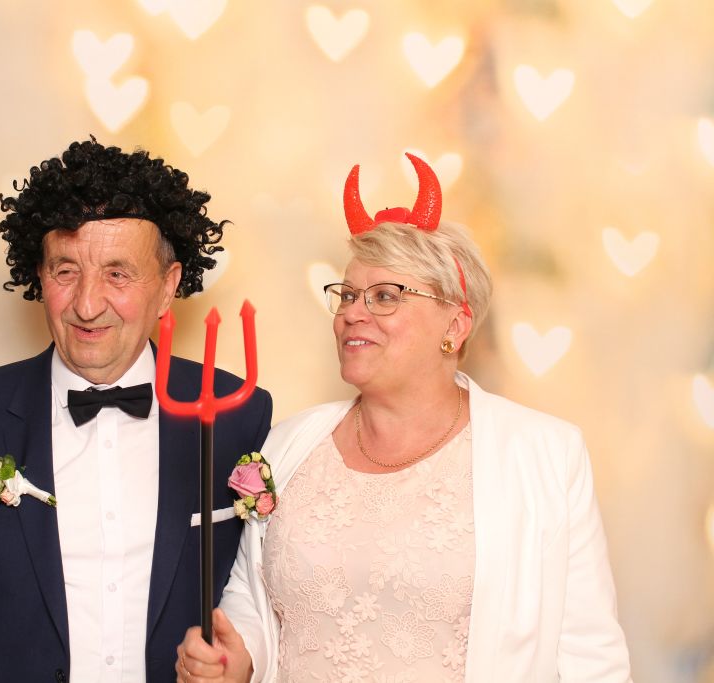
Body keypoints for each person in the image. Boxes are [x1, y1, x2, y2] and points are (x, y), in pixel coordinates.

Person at [175, 153, 631, 682]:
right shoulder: (287, 446)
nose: (352, 312)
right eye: (347, 295)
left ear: (455, 326)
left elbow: (590, 656)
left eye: (385, 297)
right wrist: (240, 658)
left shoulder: (545, 455)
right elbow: (253, 596)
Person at [0, 138, 273, 682]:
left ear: (168, 287)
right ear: (40, 276)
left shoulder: (237, 415)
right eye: (66, 271)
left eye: (117, 274)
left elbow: (265, 595)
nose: (87, 304)